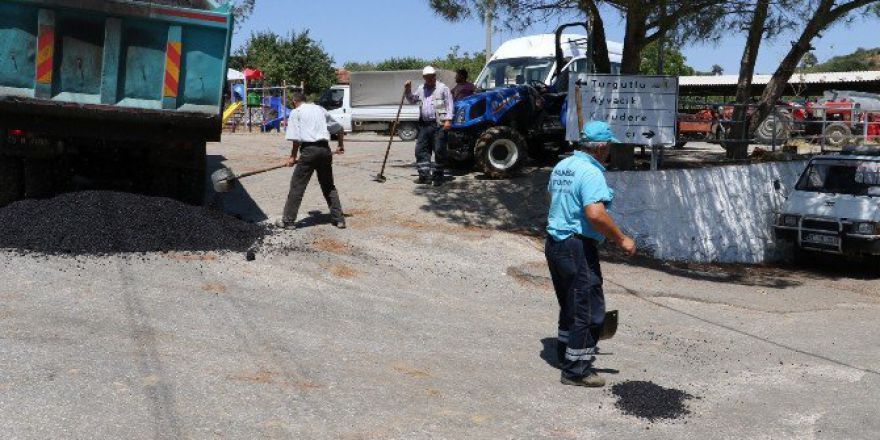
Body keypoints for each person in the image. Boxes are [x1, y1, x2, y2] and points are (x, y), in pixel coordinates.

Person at [545, 121, 637, 388]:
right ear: (600, 147)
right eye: (608, 147)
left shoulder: (562, 166)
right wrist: (621, 239)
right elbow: (595, 214)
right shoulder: (591, 172)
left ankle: (566, 353)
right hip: (576, 246)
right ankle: (577, 371)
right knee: (589, 309)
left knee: (570, 304)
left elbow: (550, 199)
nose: (609, 152)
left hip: (555, 243)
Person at [276, 92, 346, 230]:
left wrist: (292, 157)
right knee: (328, 185)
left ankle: (288, 221)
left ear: (294, 101)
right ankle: (339, 220)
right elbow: (339, 128)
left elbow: (296, 138)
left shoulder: (296, 112)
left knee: (297, 186)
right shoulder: (320, 109)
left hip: (309, 151)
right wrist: (340, 145)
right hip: (325, 150)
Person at [404, 66, 454, 186]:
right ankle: (424, 176)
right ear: (424, 77)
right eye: (426, 77)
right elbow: (412, 100)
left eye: (431, 77)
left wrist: (448, 120)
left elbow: (450, 105)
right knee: (421, 150)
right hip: (424, 125)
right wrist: (408, 91)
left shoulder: (443, 88)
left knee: (439, 151)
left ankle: (438, 177)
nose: (429, 79)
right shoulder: (421, 89)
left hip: (439, 125)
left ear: (435, 76)